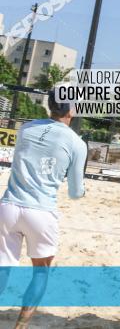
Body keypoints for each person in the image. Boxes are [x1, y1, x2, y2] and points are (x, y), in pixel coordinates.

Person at [0, 91, 86, 328]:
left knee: (3, 267)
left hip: (8, 206)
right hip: (41, 211)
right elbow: (76, 192)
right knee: (40, 272)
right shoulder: (77, 142)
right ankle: (20, 326)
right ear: (71, 110)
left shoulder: (26, 128)